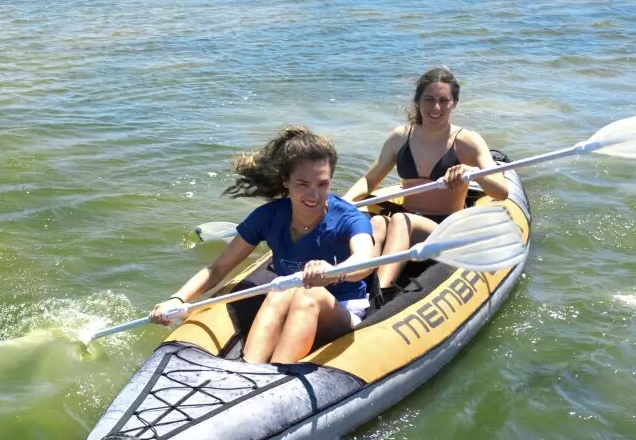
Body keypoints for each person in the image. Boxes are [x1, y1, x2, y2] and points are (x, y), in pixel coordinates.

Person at [149, 126, 375, 365]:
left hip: (340, 310)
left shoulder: (349, 218)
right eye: (303, 184)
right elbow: (218, 268)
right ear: (286, 181)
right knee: (280, 291)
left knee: (307, 295)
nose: (314, 195)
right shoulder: (268, 216)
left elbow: (364, 262)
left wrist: (332, 273)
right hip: (287, 301)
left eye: (322, 184)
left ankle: (276, 373)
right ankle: (249, 367)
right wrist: (178, 299)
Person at [341, 66, 508, 292]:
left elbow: (501, 192)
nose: (436, 107)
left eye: (443, 100)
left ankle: (380, 292)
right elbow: (370, 181)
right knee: (378, 222)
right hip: (407, 219)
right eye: (429, 99)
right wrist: (342, 203)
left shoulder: (467, 141)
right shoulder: (401, 137)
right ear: (418, 100)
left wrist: (470, 171)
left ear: (454, 103)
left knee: (401, 221)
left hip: (444, 227)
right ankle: (352, 281)